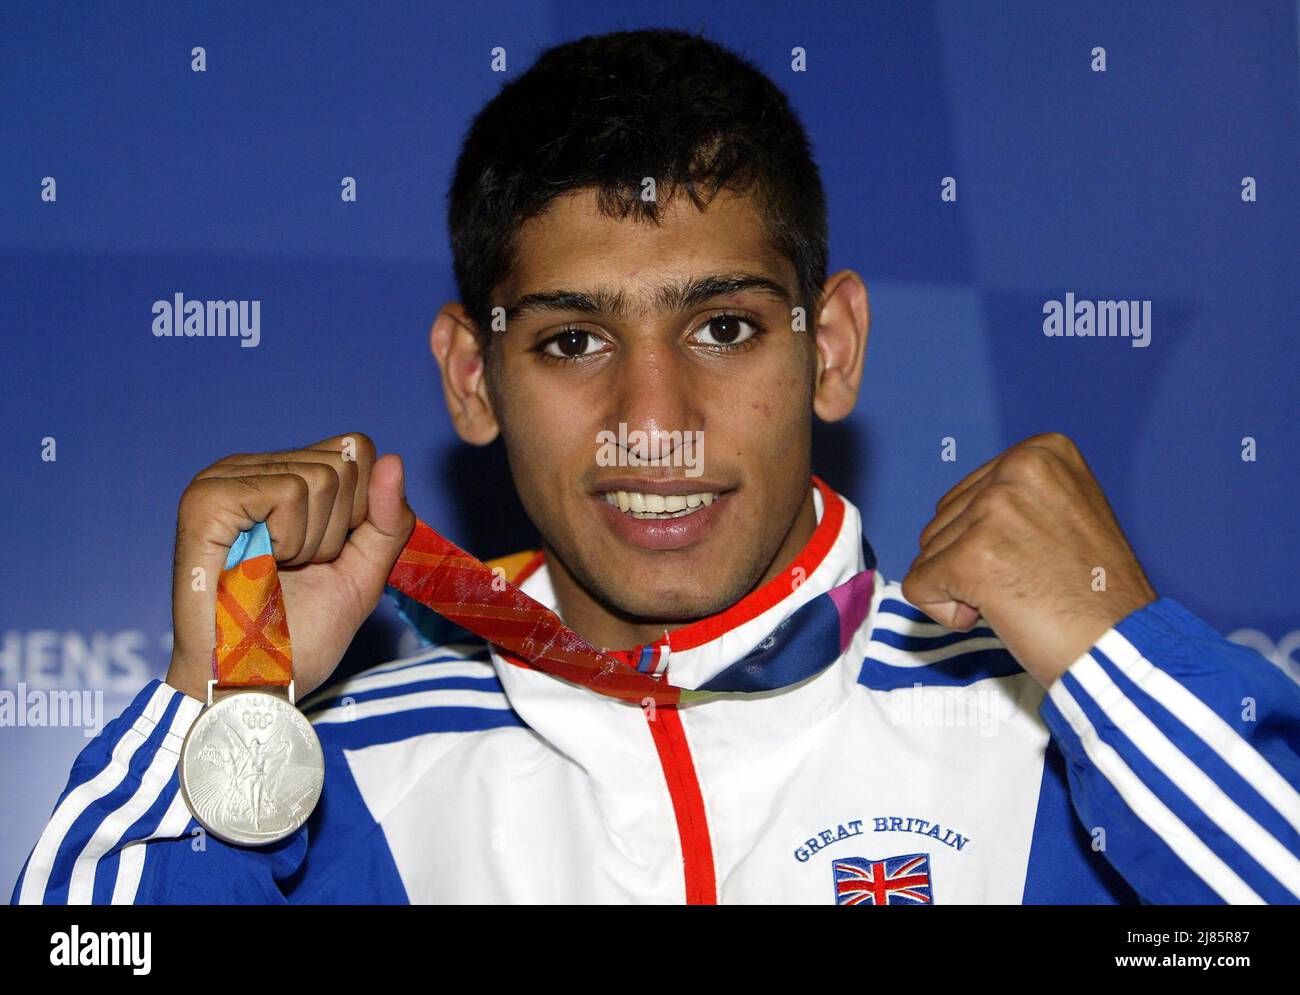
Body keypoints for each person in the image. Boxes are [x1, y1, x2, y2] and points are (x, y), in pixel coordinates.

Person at [13, 27, 1300, 905]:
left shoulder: (1057, 735)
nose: (655, 418)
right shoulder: (347, 776)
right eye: (574, 339)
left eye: (724, 326)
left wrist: (1127, 667)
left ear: (832, 347)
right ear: (473, 379)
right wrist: (218, 699)